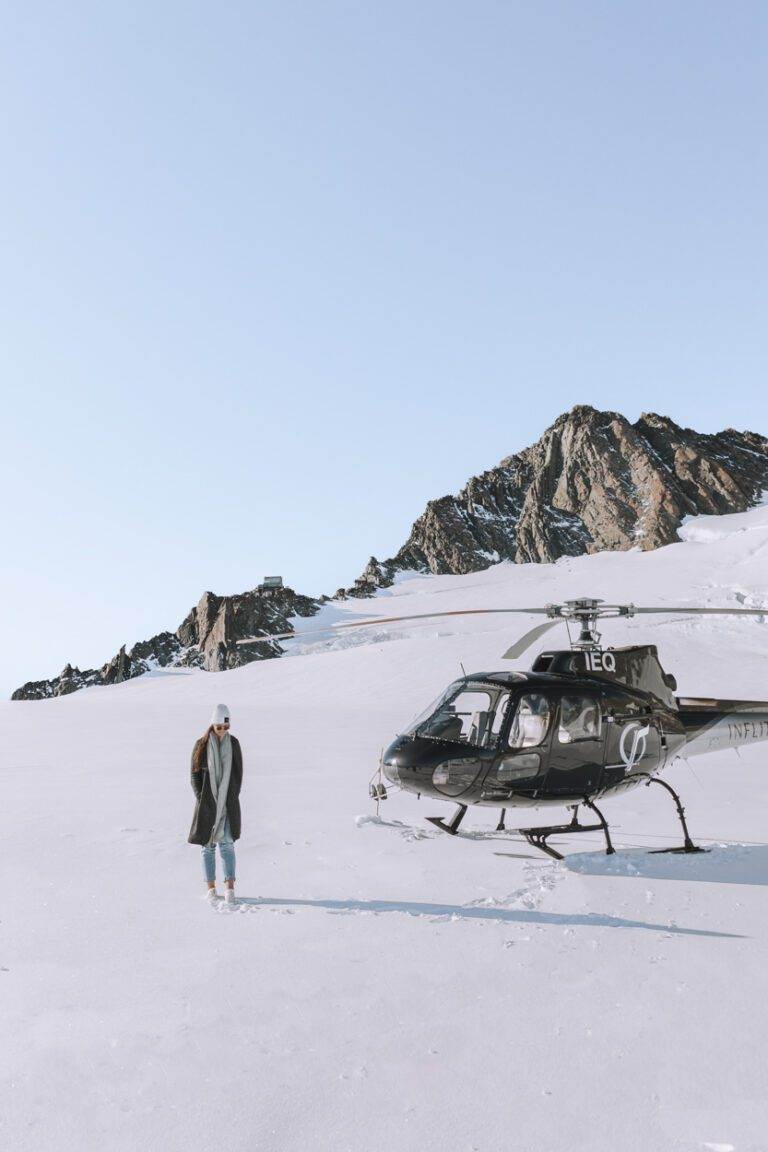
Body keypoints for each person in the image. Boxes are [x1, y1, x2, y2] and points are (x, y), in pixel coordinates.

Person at [188, 703, 243, 905]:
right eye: (219, 727)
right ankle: (211, 887)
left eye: (226, 727)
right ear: (213, 725)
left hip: (227, 804)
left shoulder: (234, 744)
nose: (222, 731)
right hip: (207, 804)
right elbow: (194, 775)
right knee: (208, 847)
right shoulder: (200, 745)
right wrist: (201, 797)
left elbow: (238, 774)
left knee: (227, 844)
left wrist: (231, 797)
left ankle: (230, 886)